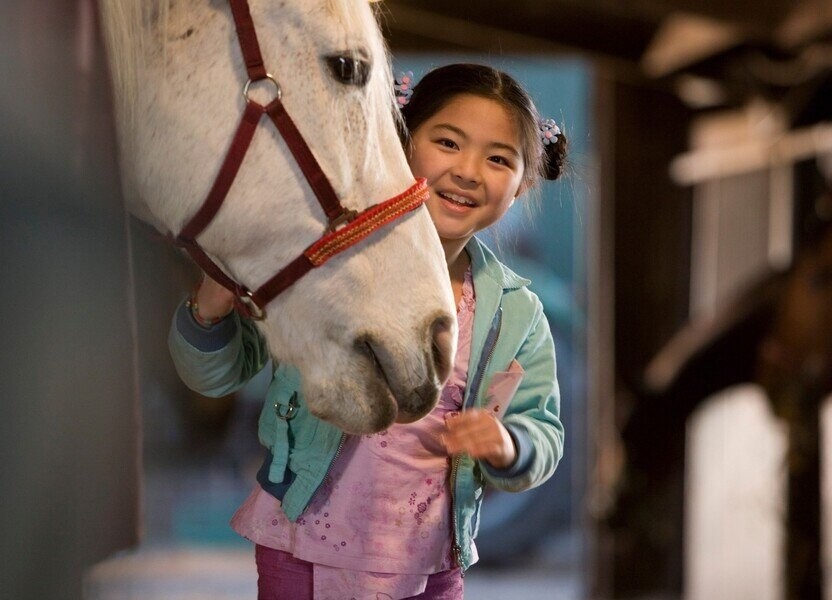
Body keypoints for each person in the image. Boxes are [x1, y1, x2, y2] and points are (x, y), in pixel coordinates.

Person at [168, 63, 568, 600]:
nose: (470, 171)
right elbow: (213, 377)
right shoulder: (323, 268)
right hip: (301, 542)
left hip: (430, 563)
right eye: (448, 142)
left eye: (499, 159)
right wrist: (210, 309)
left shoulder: (519, 315)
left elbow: (543, 430)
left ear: (522, 186)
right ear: (401, 147)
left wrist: (510, 443)